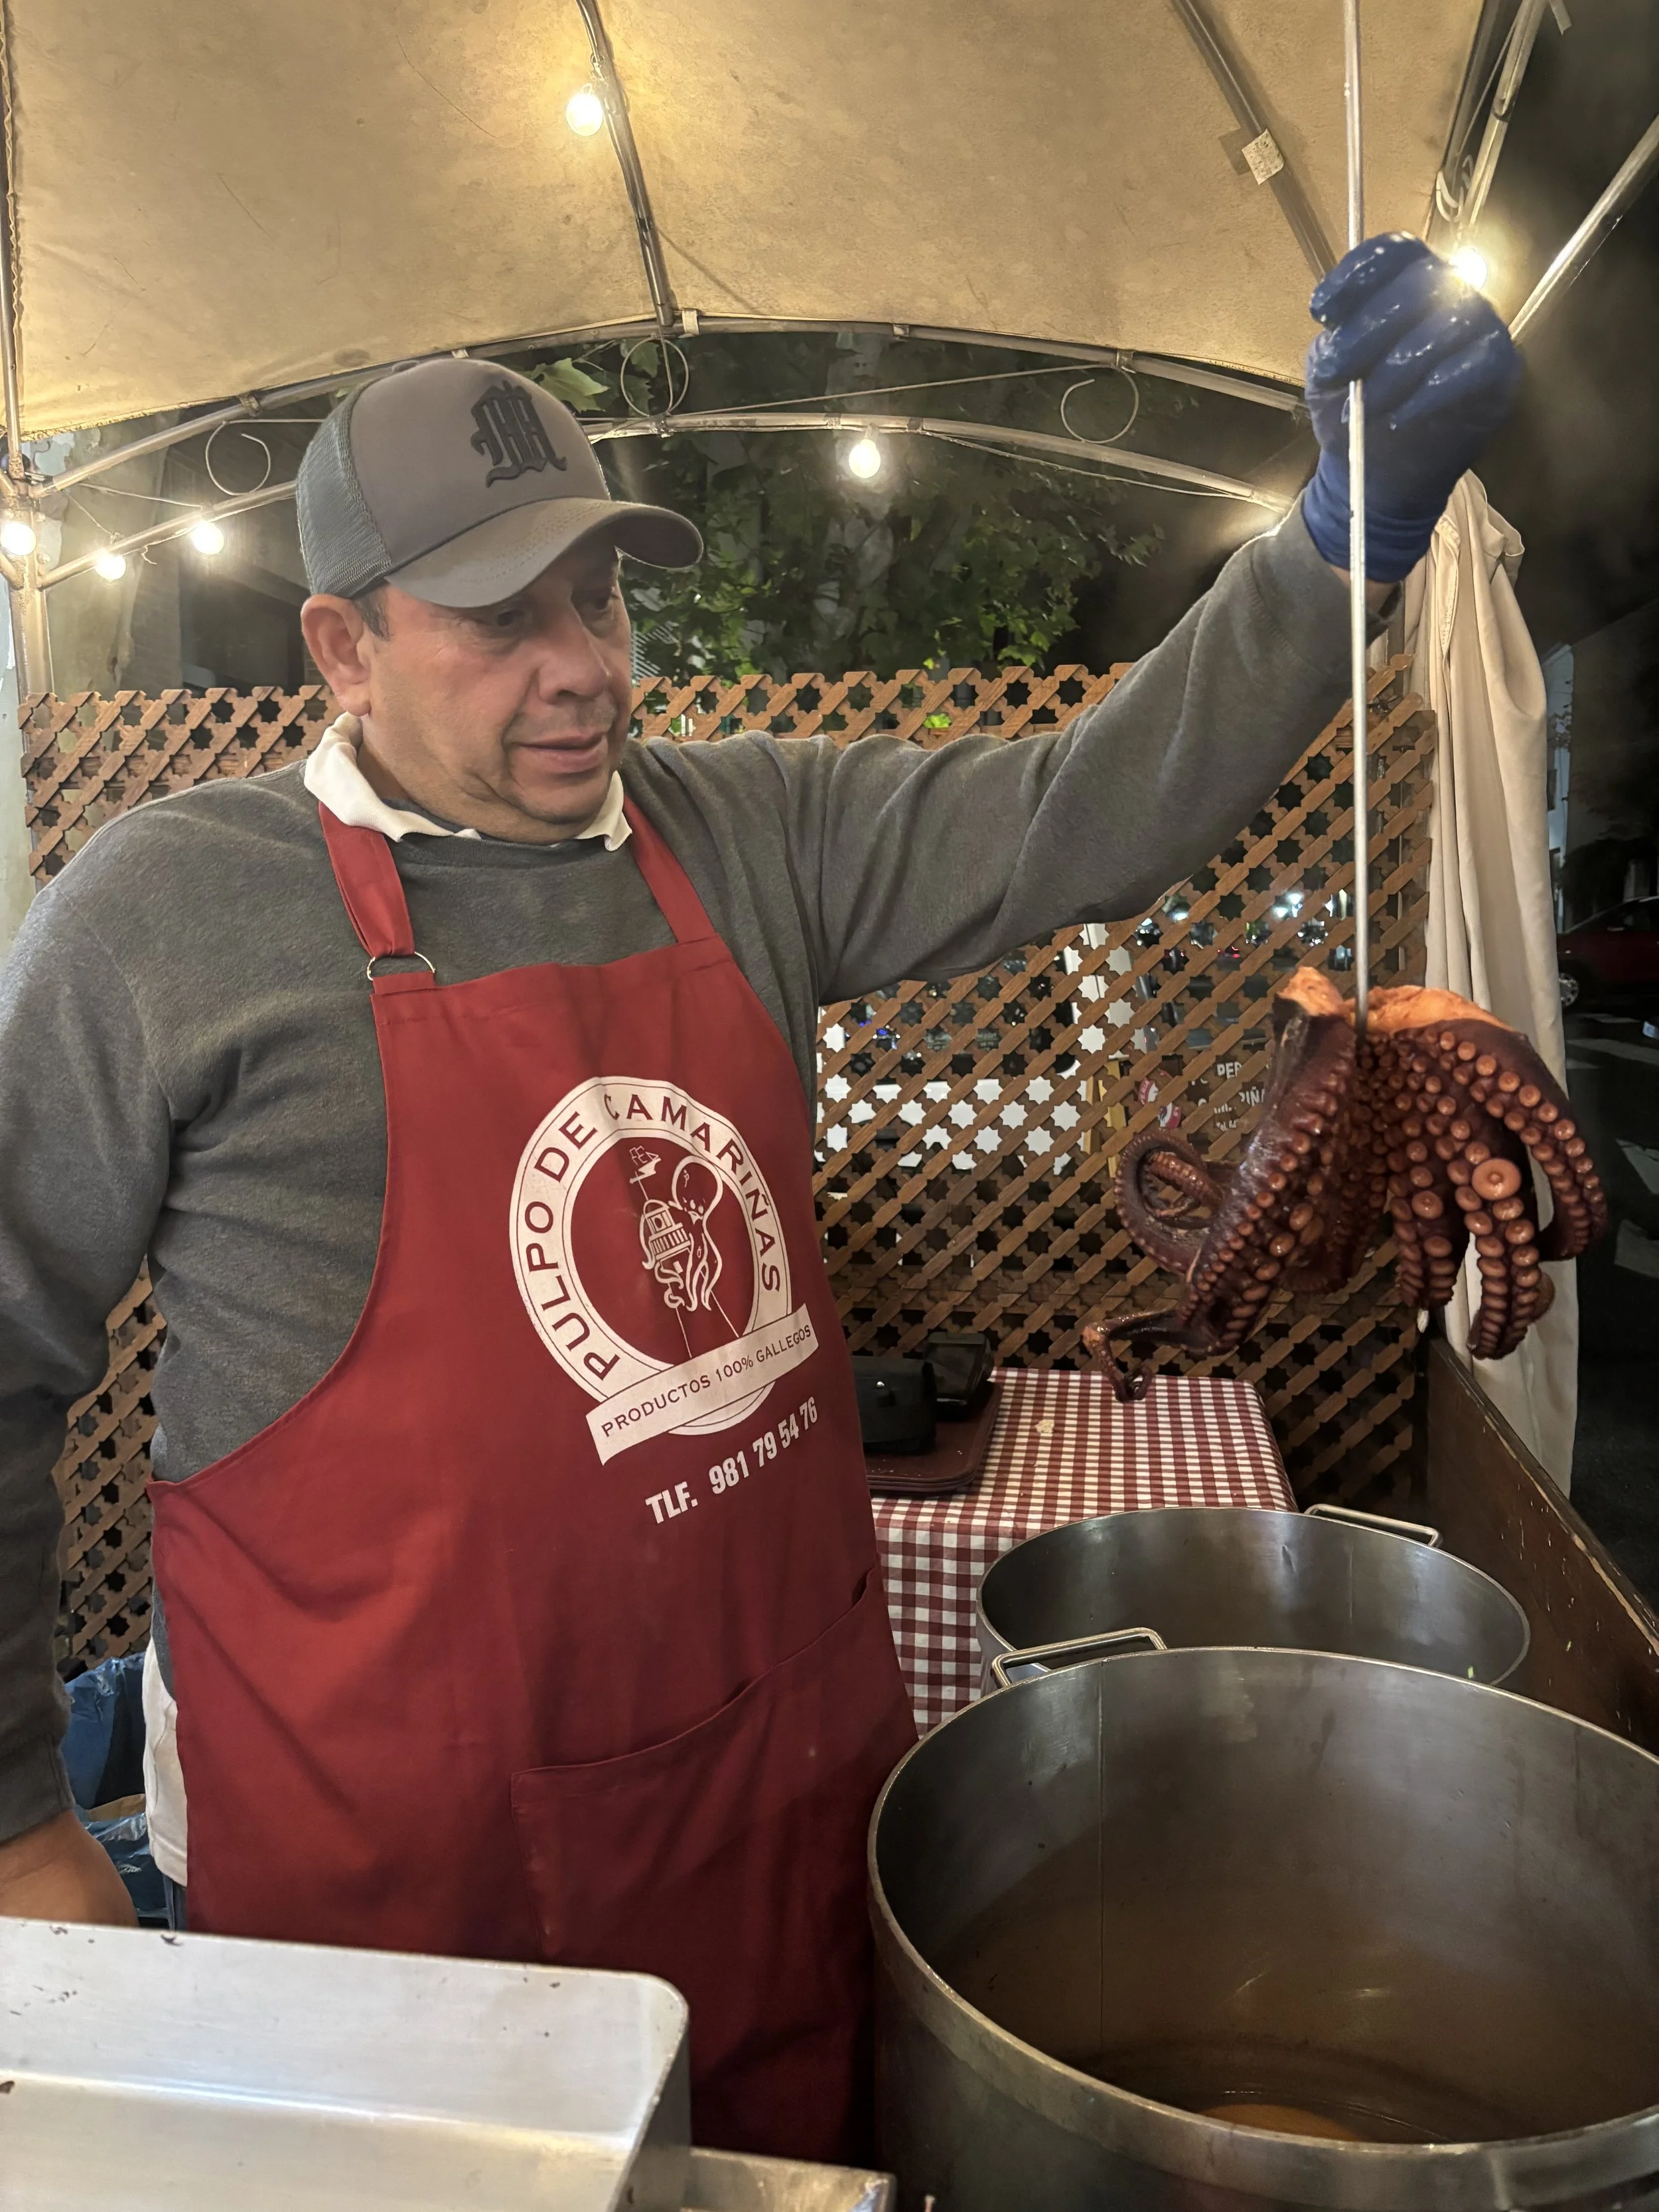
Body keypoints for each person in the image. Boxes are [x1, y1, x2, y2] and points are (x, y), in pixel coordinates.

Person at [0, 236, 1517, 2158]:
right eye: (499, 617)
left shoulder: (749, 830)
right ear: (342, 645)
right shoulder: (165, 913)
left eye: (600, 592)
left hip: (771, 1813)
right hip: (387, 1904)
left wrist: (1333, 549)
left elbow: (1089, 803)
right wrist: (17, 1812)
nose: (587, 668)